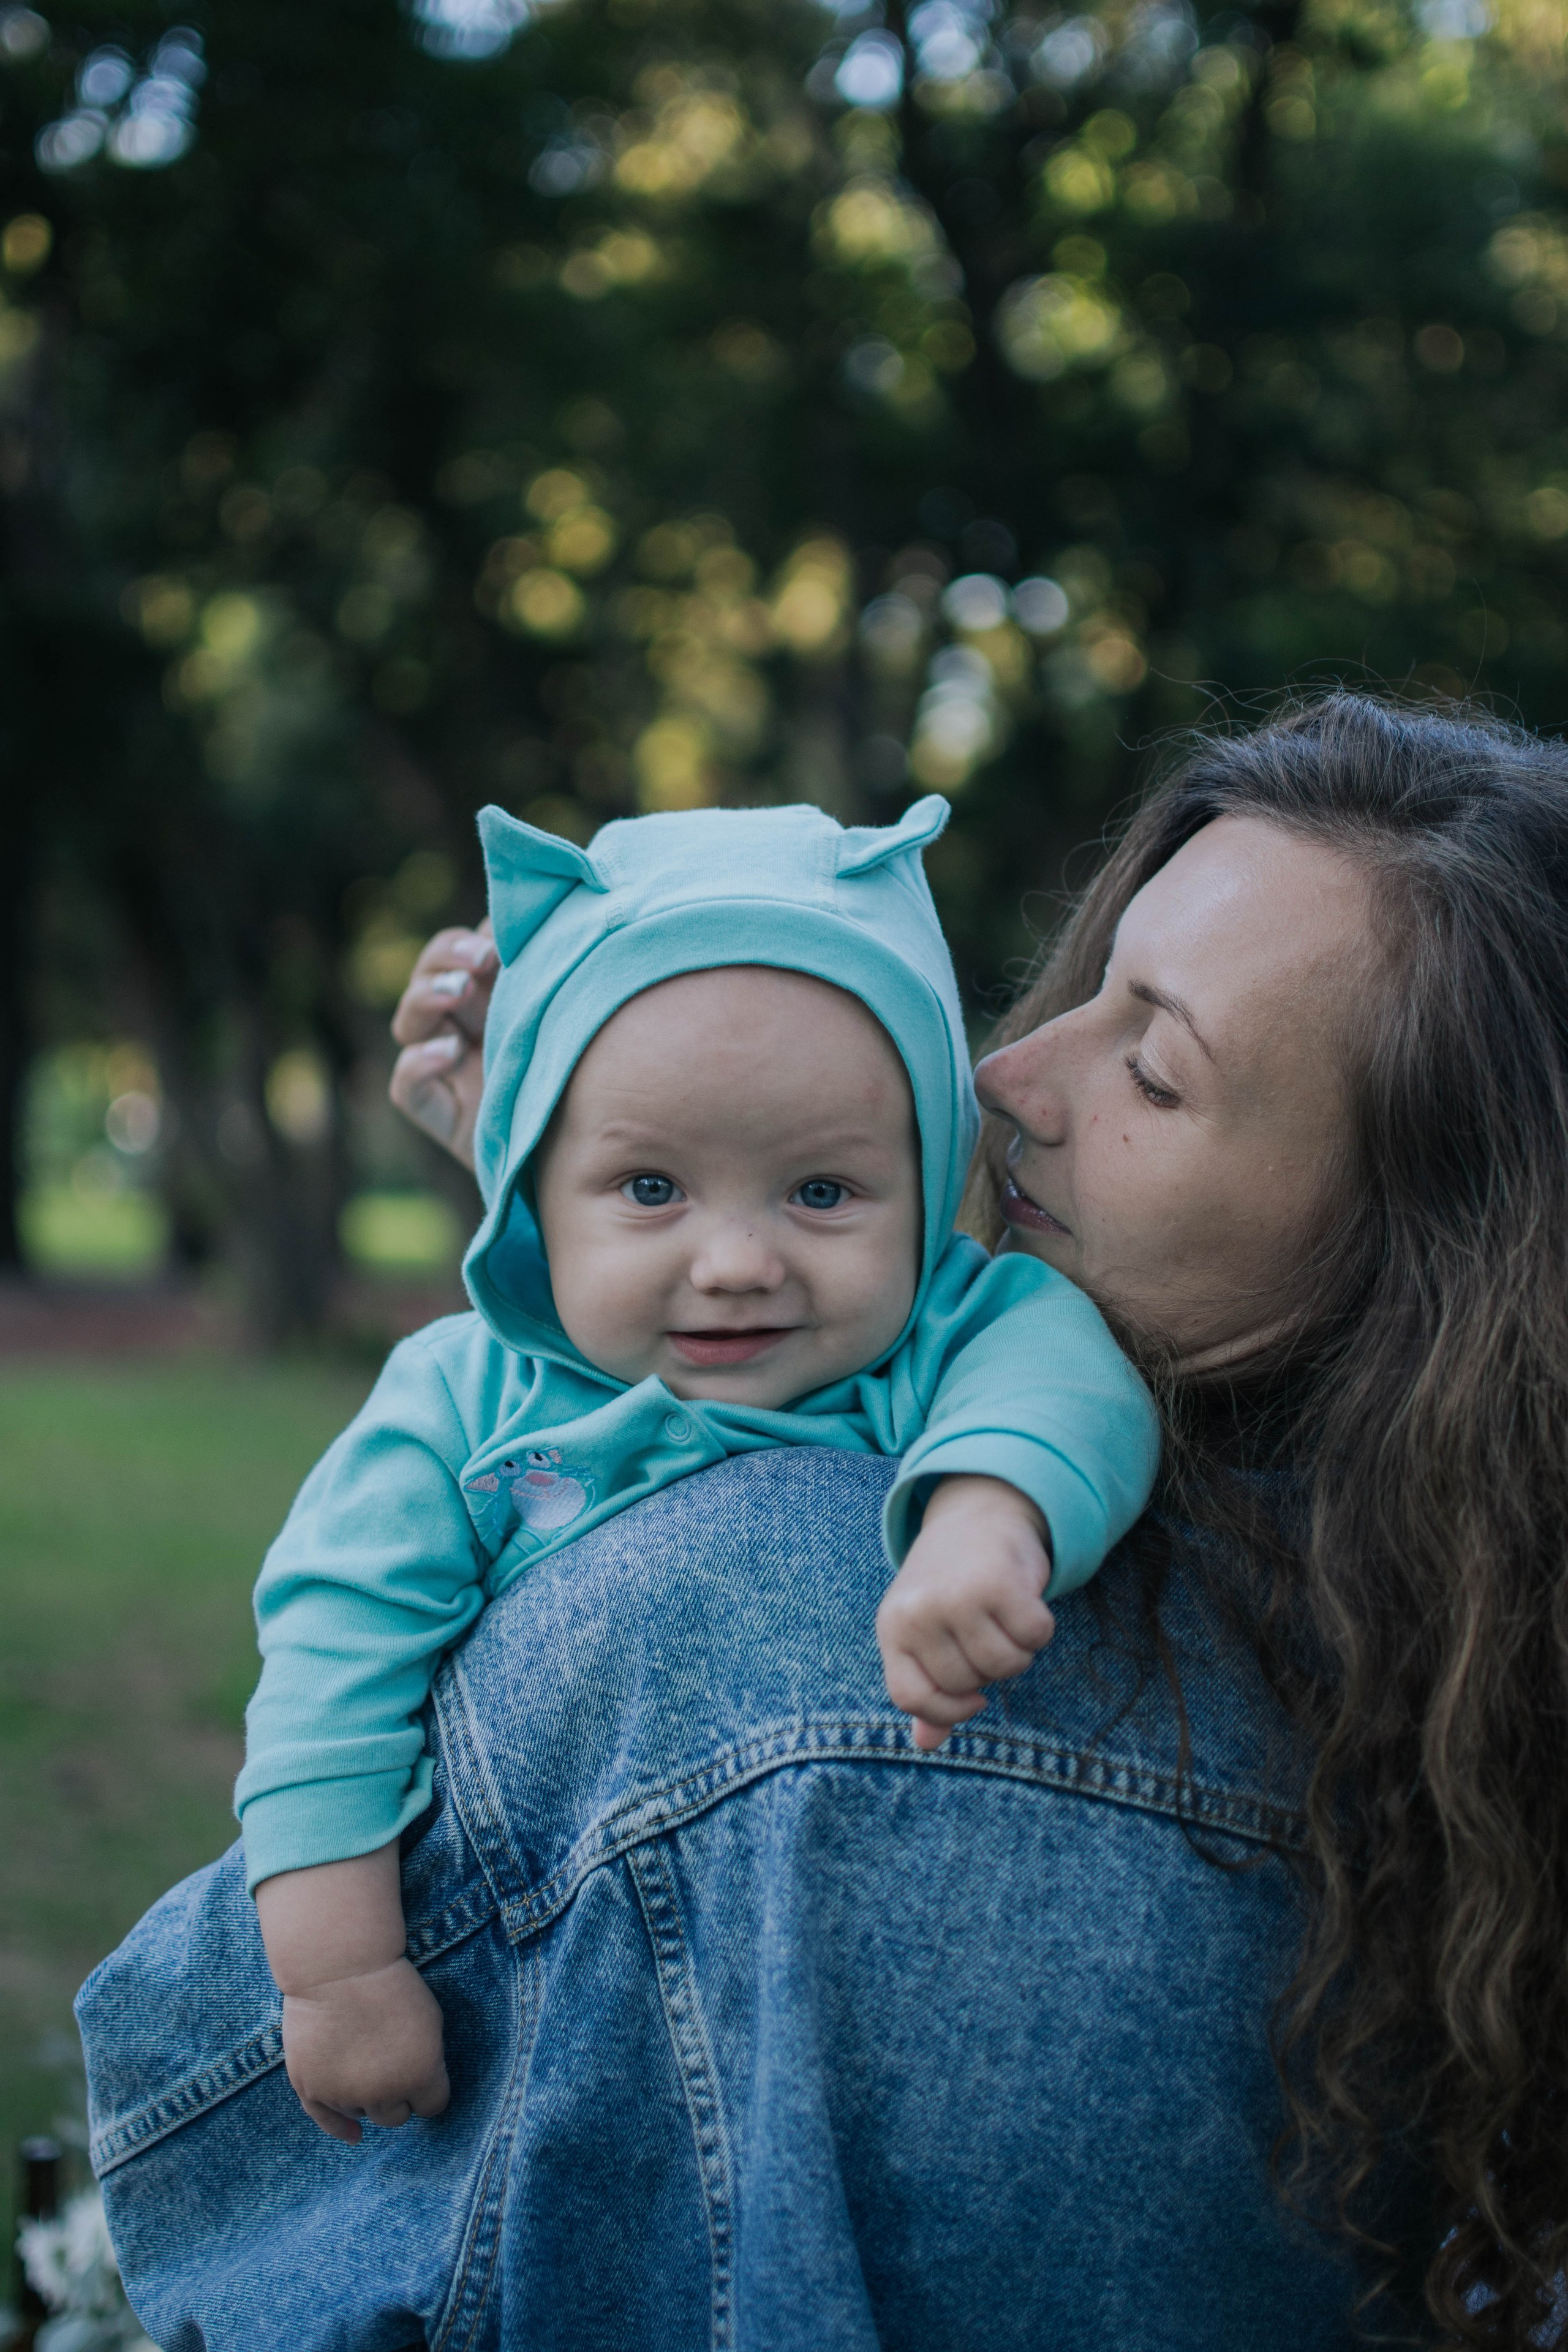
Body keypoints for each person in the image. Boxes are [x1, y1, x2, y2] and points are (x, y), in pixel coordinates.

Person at [76, 696, 1568, 2349]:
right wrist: (580, 1158)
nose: (1008, 1072)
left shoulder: (774, 1616)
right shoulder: (1449, 1726)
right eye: (1087, 991)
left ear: (1424, 1258)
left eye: (1151, 1063)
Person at [239, 793, 1156, 2145]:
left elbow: (1059, 1372)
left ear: (930, 1181)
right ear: (529, 1191)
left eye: (822, 1193)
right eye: (651, 1190)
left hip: (879, 2014)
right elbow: (332, 1658)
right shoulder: (462, 1401)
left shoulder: (925, 1339)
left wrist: (986, 1519)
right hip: (549, 2015)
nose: (735, 1264)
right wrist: (339, 1973)